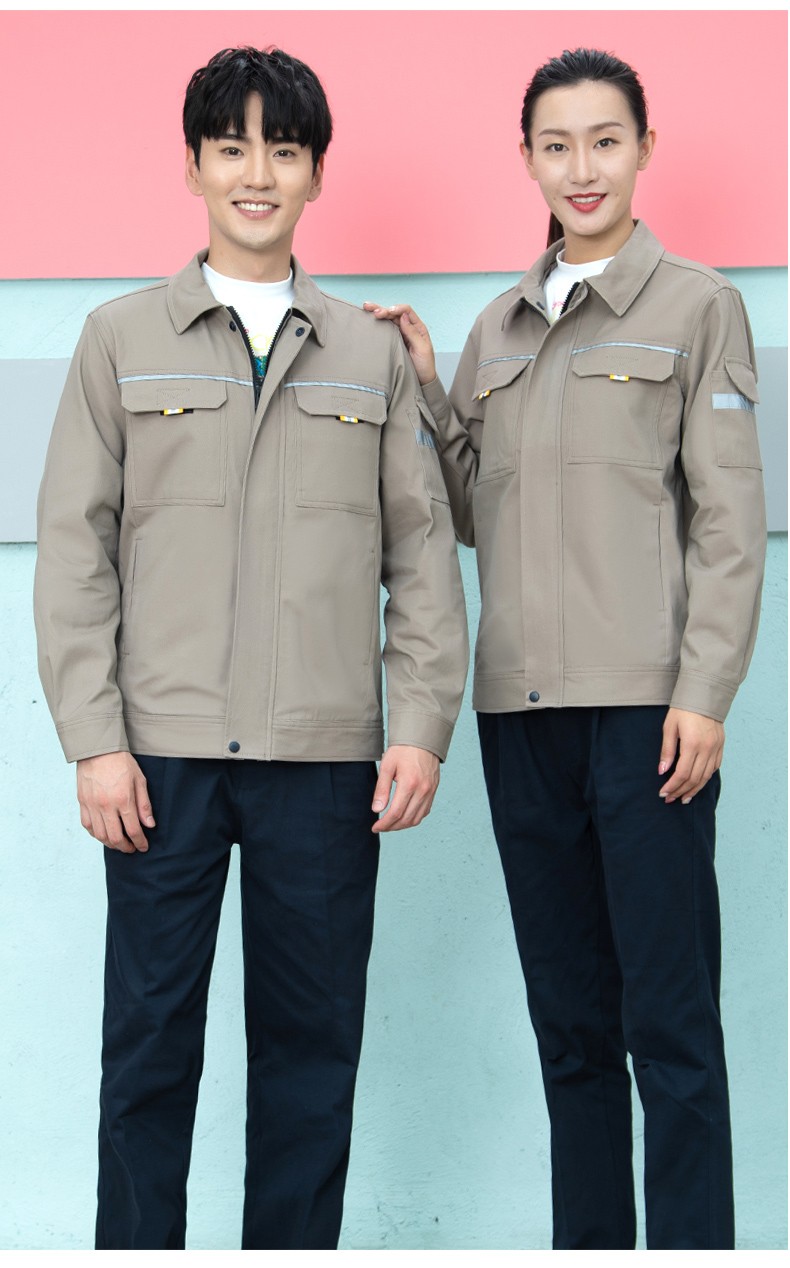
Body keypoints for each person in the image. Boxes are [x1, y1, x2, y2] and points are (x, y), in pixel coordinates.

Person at [34, 45, 467, 1251]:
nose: (257, 173)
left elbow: (422, 555)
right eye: (232, 147)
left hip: (323, 766)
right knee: (147, 1050)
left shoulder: (369, 355)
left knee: (311, 1060)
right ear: (194, 166)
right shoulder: (119, 338)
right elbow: (74, 551)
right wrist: (94, 741)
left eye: (283, 148)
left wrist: (420, 726)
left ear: (317, 171)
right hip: (158, 761)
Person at [365, 47, 766, 1251]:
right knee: (571, 1031)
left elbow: (729, 523)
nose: (581, 167)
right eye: (556, 144)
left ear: (643, 149)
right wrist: (429, 390)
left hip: (647, 714)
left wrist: (705, 692)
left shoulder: (697, 307)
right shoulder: (496, 326)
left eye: (603, 140)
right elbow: (475, 510)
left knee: (672, 1027)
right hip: (520, 718)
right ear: (528, 159)